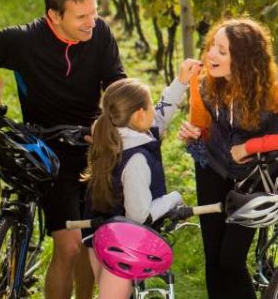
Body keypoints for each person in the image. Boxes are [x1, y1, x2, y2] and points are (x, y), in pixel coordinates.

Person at [0, 0, 125, 299]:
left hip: (91, 148)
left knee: (90, 241)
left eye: (94, 13)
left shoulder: (99, 34)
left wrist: (116, 119)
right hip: (48, 155)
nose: (92, 22)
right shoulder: (24, 41)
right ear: (54, 16)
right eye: (81, 17)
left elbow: (116, 80)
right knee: (69, 246)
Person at [177, 18, 278, 298]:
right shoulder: (203, 82)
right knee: (214, 260)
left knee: (230, 260)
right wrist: (193, 133)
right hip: (213, 169)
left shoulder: (271, 91)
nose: (210, 55)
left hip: (256, 177)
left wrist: (254, 145)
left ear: (242, 60)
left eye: (221, 50)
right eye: (212, 47)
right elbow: (202, 127)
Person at [81, 64, 197, 298]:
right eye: (150, 106)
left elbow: (162, 115)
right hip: (119, 245)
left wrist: (181, 82)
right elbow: (139, 215)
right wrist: (172, 199)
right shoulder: (136, 160)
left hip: (97, 237)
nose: (155, 111)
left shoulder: (117, 134)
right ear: (139, 115)